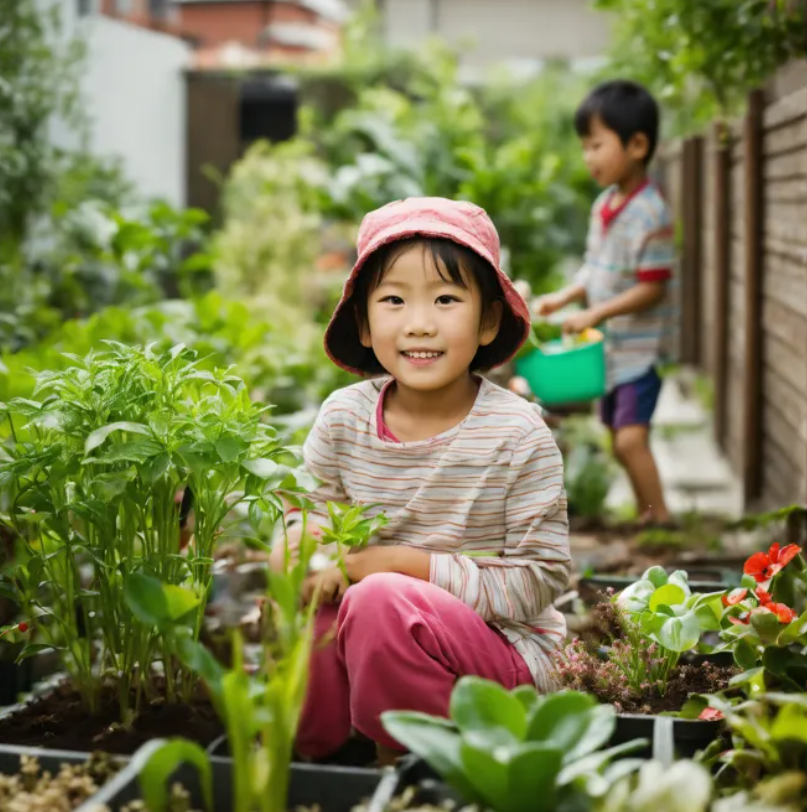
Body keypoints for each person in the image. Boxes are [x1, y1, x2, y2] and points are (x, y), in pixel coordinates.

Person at [270, 197, 570, 765]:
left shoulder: (517, 435)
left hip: (497, 660)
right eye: (393, 300)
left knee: (379, 599)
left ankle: (408, 769)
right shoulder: (343, 417)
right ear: (363, 320)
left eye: (446, 299)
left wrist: (393, 564)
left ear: (487, 320)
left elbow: (539, 579)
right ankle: (316, 763)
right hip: (376, 633)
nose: (419, 322)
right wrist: (298, 549)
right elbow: (305, 508)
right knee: (317, 608)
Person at [535, 79, 677, 526]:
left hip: (639, 353)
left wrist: (596, 311)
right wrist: (567, 295)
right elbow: (594, 268)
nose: (588, 157)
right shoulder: (604, 207)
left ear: (637, 144)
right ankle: (647, 515)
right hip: (609, 353)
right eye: (584, 147)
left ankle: (661, 516)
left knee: (631, 441)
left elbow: (653, 286)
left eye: (596, 145)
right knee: (617, 438)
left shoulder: (651, 214)